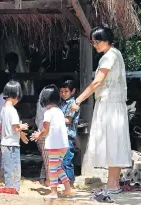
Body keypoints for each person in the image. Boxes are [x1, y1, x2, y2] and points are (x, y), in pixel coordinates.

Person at [71, 26, 132, 198]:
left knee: (113, 141)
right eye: (93, 41)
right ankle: (113, 184)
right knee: (115, 142)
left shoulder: (109, 57)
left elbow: (97, 82)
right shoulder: (115, 54)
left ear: (107, 40)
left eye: (97, 41)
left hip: (110, 104)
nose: (95, 45)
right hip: (112, 103)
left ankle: (112, 185)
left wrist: (78, 100)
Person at [31, 85, 71, 199]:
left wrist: (39, 135)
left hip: (54, 145)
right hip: (63, 145)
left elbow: (45, 129)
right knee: (58, 167)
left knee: (52, 169)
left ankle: (54, 191)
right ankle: (68, 188)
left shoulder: (48, 113)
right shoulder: (59, 111)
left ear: (43, 99)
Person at [0, 80, 29, 194]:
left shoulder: (4, 109)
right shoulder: (13, 111)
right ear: (17, 95)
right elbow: (15, 128)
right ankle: (14, 190)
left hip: (5, 143)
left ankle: (8, 188)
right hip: (12, 145)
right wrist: (23, 126)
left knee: (8, 168)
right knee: (15, 169)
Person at [59, 80, 80, 188]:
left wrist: (54, 118)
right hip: (61, 135)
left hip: (68, 135)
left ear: (73, 91)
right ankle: (65, 182)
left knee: (67, 160)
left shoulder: (73, 104)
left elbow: (68, 120)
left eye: (66, 91)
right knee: (61, 160)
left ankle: (70, 182)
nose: (63, 94)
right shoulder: (61, 103)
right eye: (61, 91)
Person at [35, 93, 49, 186]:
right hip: (44, 134)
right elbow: (45, 127)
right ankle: (48, 182)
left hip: (41, 133)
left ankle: (43, 179)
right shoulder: (48, 110)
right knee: (48, 162)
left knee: (46, 160)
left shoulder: (40, 102)